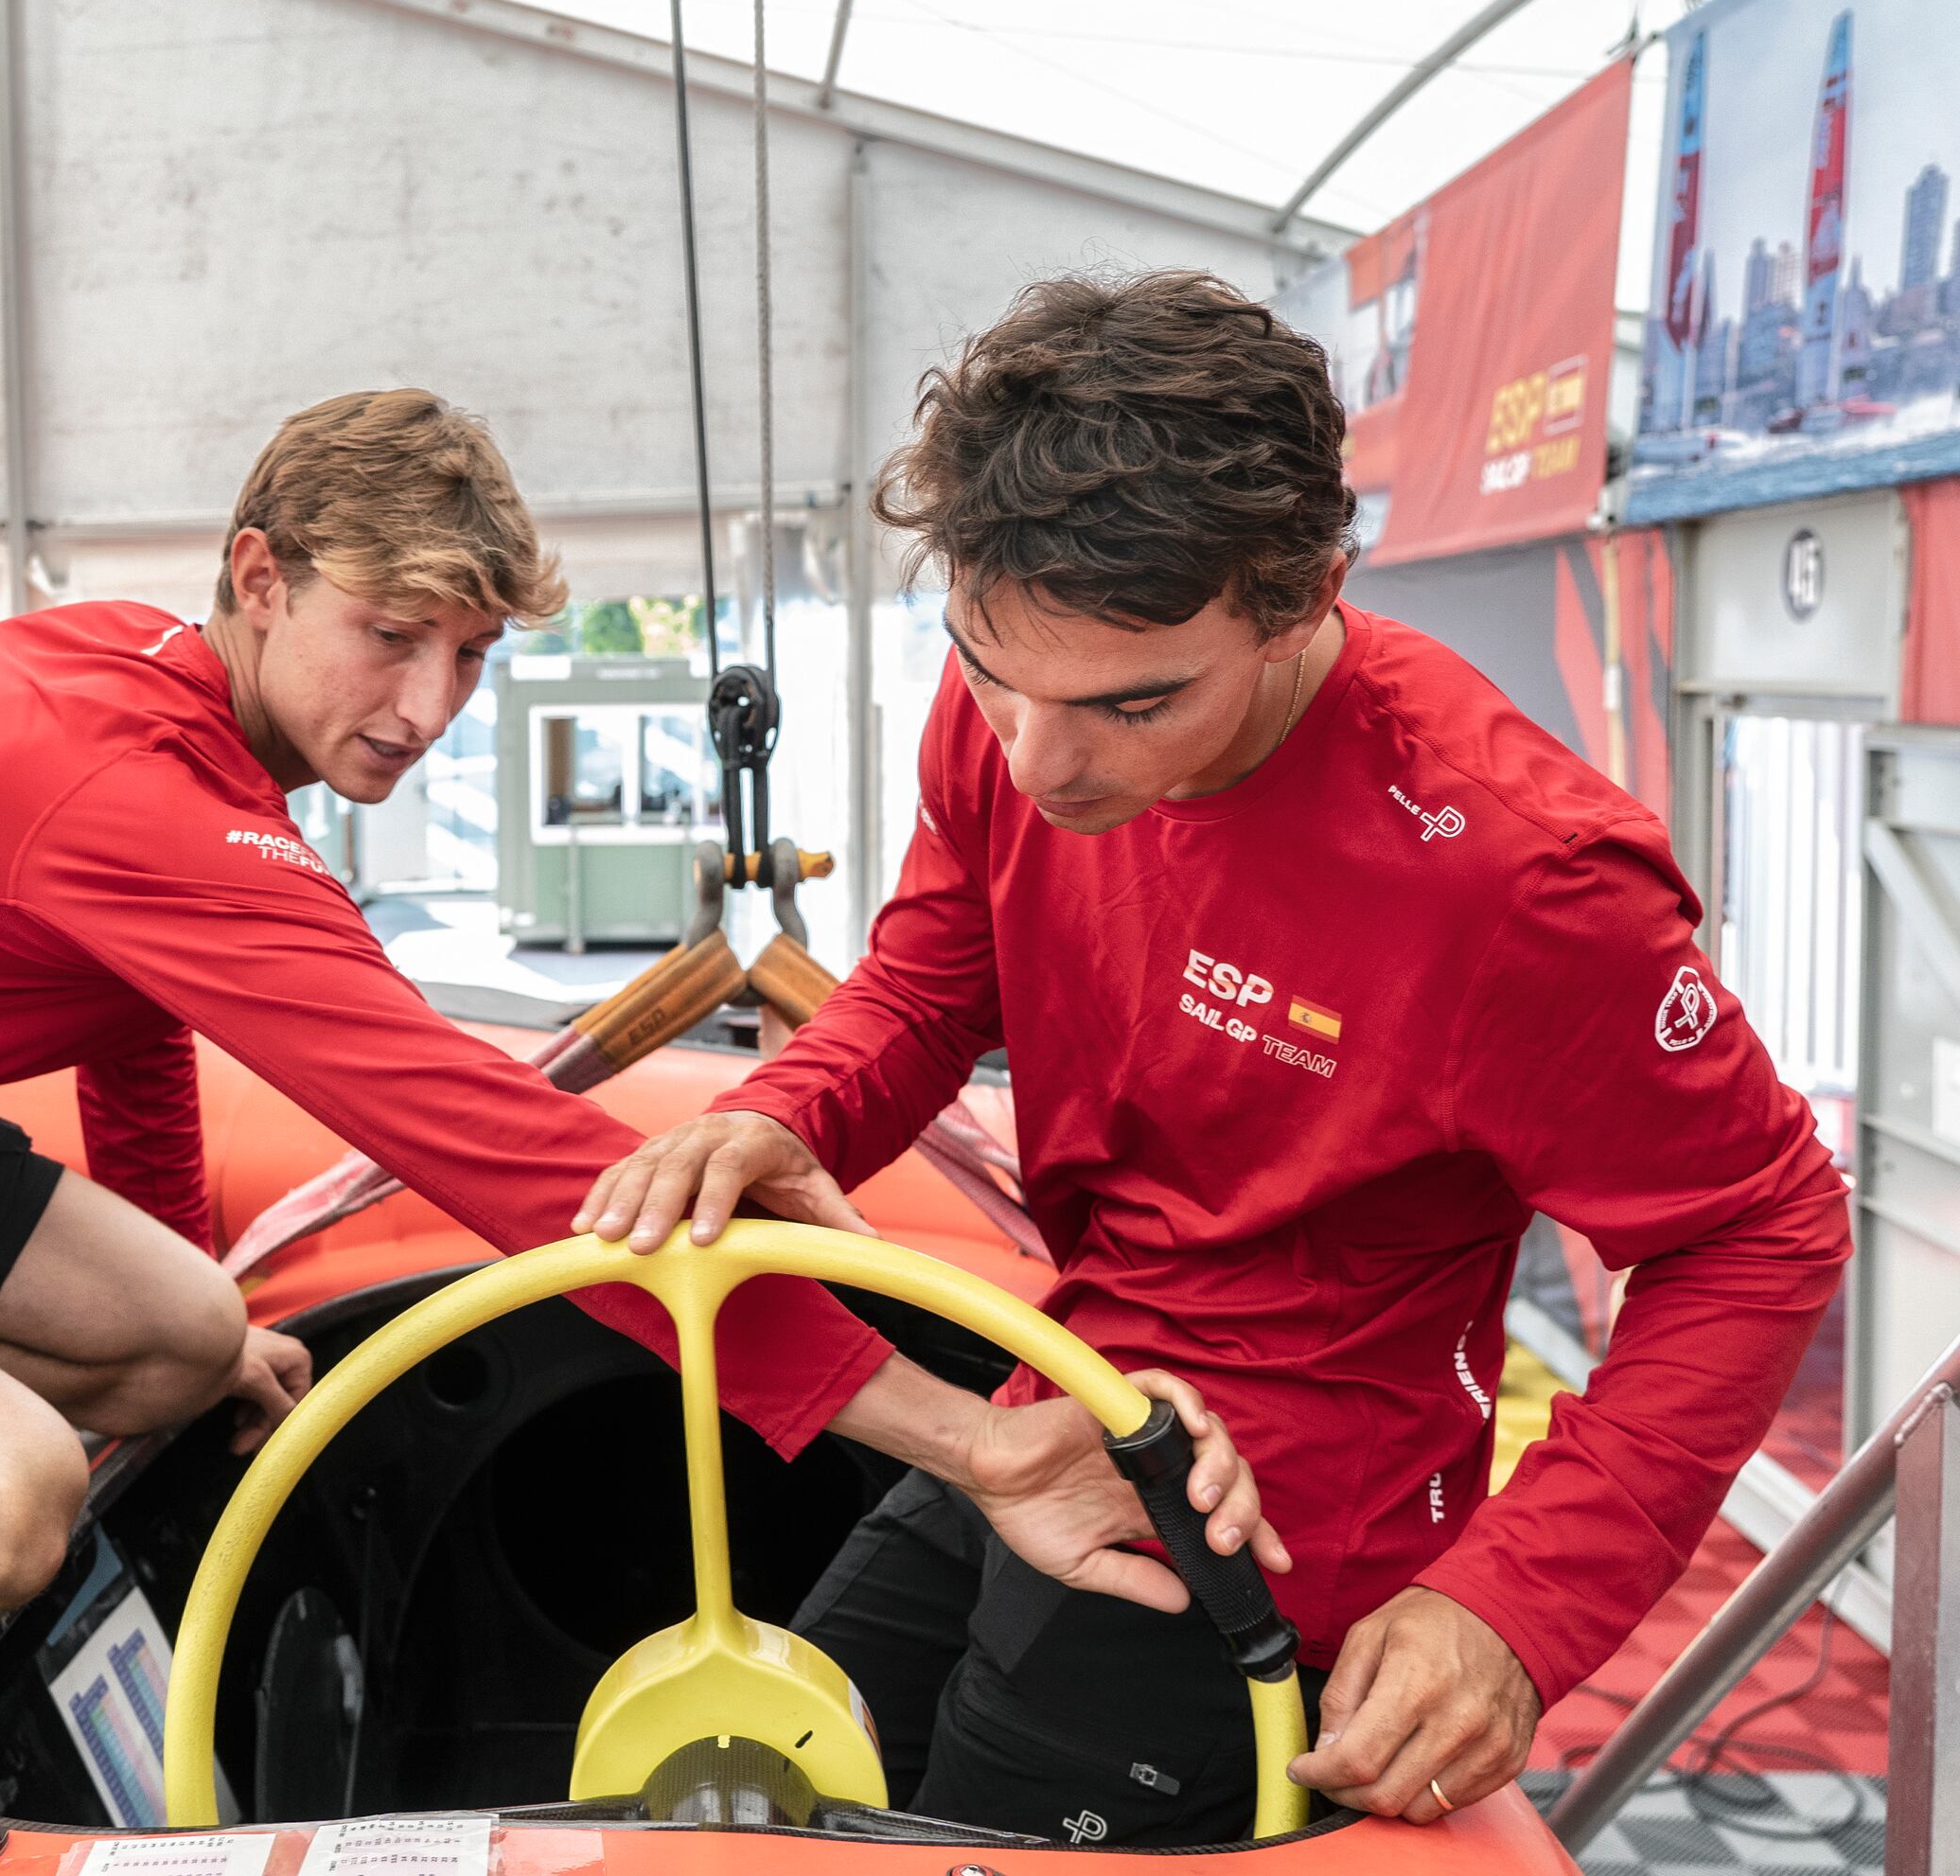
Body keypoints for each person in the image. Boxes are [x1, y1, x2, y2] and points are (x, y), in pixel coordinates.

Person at [0, 388, 1277, 1704]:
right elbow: (491, 1147)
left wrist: (212, 1328)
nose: (425, 700)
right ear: (260, 576)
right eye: (390, 633)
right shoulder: (122, 790)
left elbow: (137, 1034)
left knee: (180, 1340)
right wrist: (963, 1428)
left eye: (472, 658)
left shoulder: (143, 686)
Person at [575, 273, 1849, 1846]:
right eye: (988, 672)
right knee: (749, 1800)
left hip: (1279, 1529)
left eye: (1133, 704)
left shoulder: (1516, 877)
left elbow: (1761, 1229)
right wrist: (790, 1112)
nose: (1039, 762)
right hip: (1058, 1398)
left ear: (1305, 594)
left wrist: (1517, 1605)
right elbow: (928, 977)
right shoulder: (1033, 683)